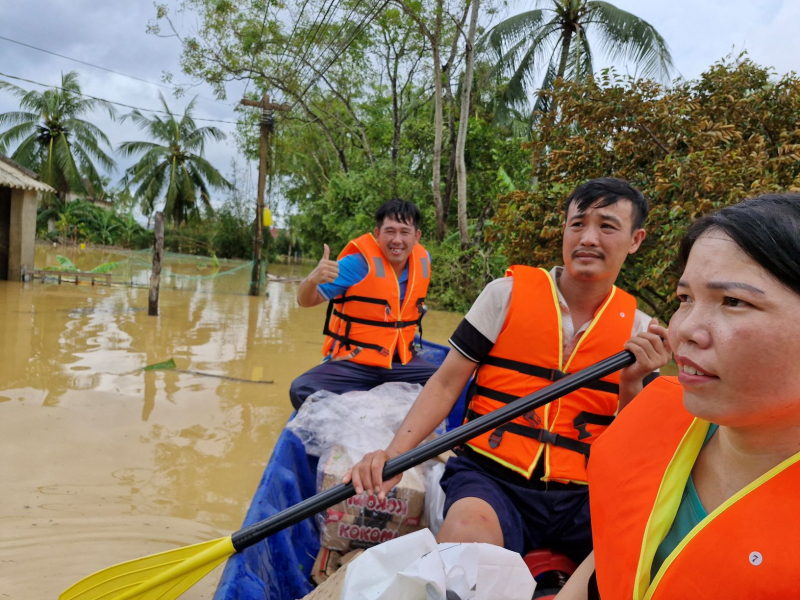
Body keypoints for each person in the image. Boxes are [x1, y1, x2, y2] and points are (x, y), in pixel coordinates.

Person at [344, 178, 671, 565]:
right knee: (465, 544)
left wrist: (633, 385)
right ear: (564, 230)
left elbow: (635, 448)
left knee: (642, 563)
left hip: (585, 494)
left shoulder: (641, 332)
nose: (588, 237)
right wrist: (395, 458)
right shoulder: (505, 294)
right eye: (578, 224)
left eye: (607, 226)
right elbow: (447, 381)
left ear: (635, 240)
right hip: (490, 478)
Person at [556, 193, 800, 599]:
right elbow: (611, 560)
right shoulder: (651, 415)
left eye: (734, 302)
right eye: (685, 299)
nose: (684, 329)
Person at [290, 199, 438, 409]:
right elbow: (305, 301)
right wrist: (311, 280)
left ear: (417, 237)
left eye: (404, 232)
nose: (397, 240)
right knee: (301, 389)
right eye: (390, 231)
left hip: (401, 361)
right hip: (355, 361)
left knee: (452, 383)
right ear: (377, 234)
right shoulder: (356, 264)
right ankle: (349, 428)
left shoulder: (423, 261)